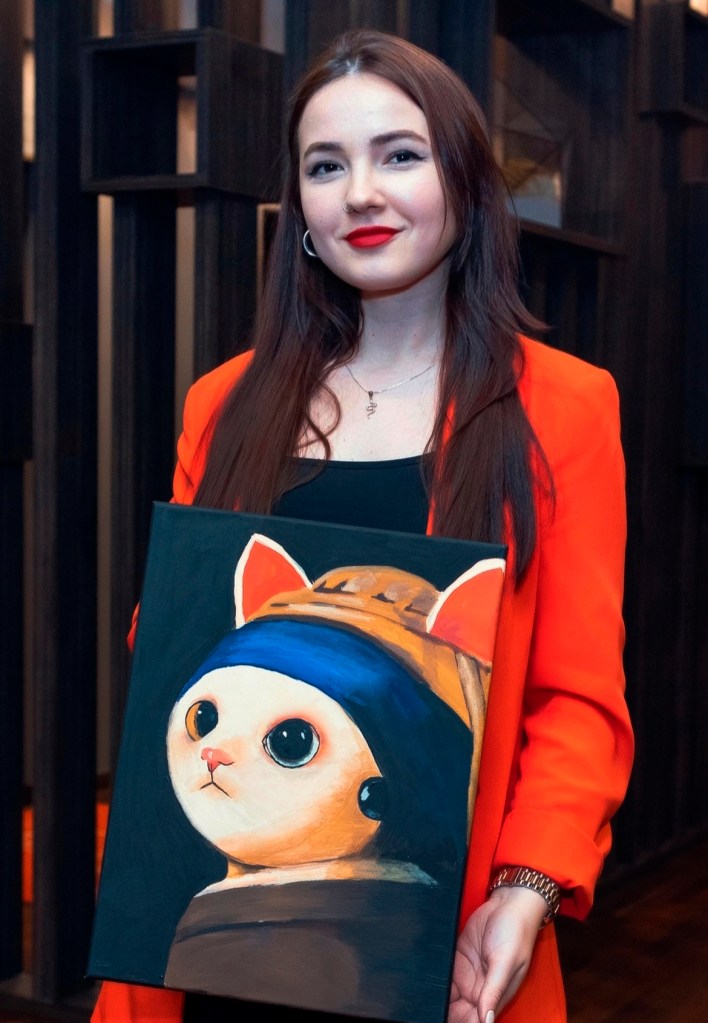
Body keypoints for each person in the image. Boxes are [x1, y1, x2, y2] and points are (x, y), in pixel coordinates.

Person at [92, 28, 633, 1023]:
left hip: (434, 941)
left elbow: (578, 700)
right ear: (299, 209)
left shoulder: (563, 408)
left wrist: (526, 889)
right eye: (326, 166)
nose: (362, 194)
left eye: (400, 155)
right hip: (212, 940)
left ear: (465, 182)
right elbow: (172, 647)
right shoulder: (226, 403)